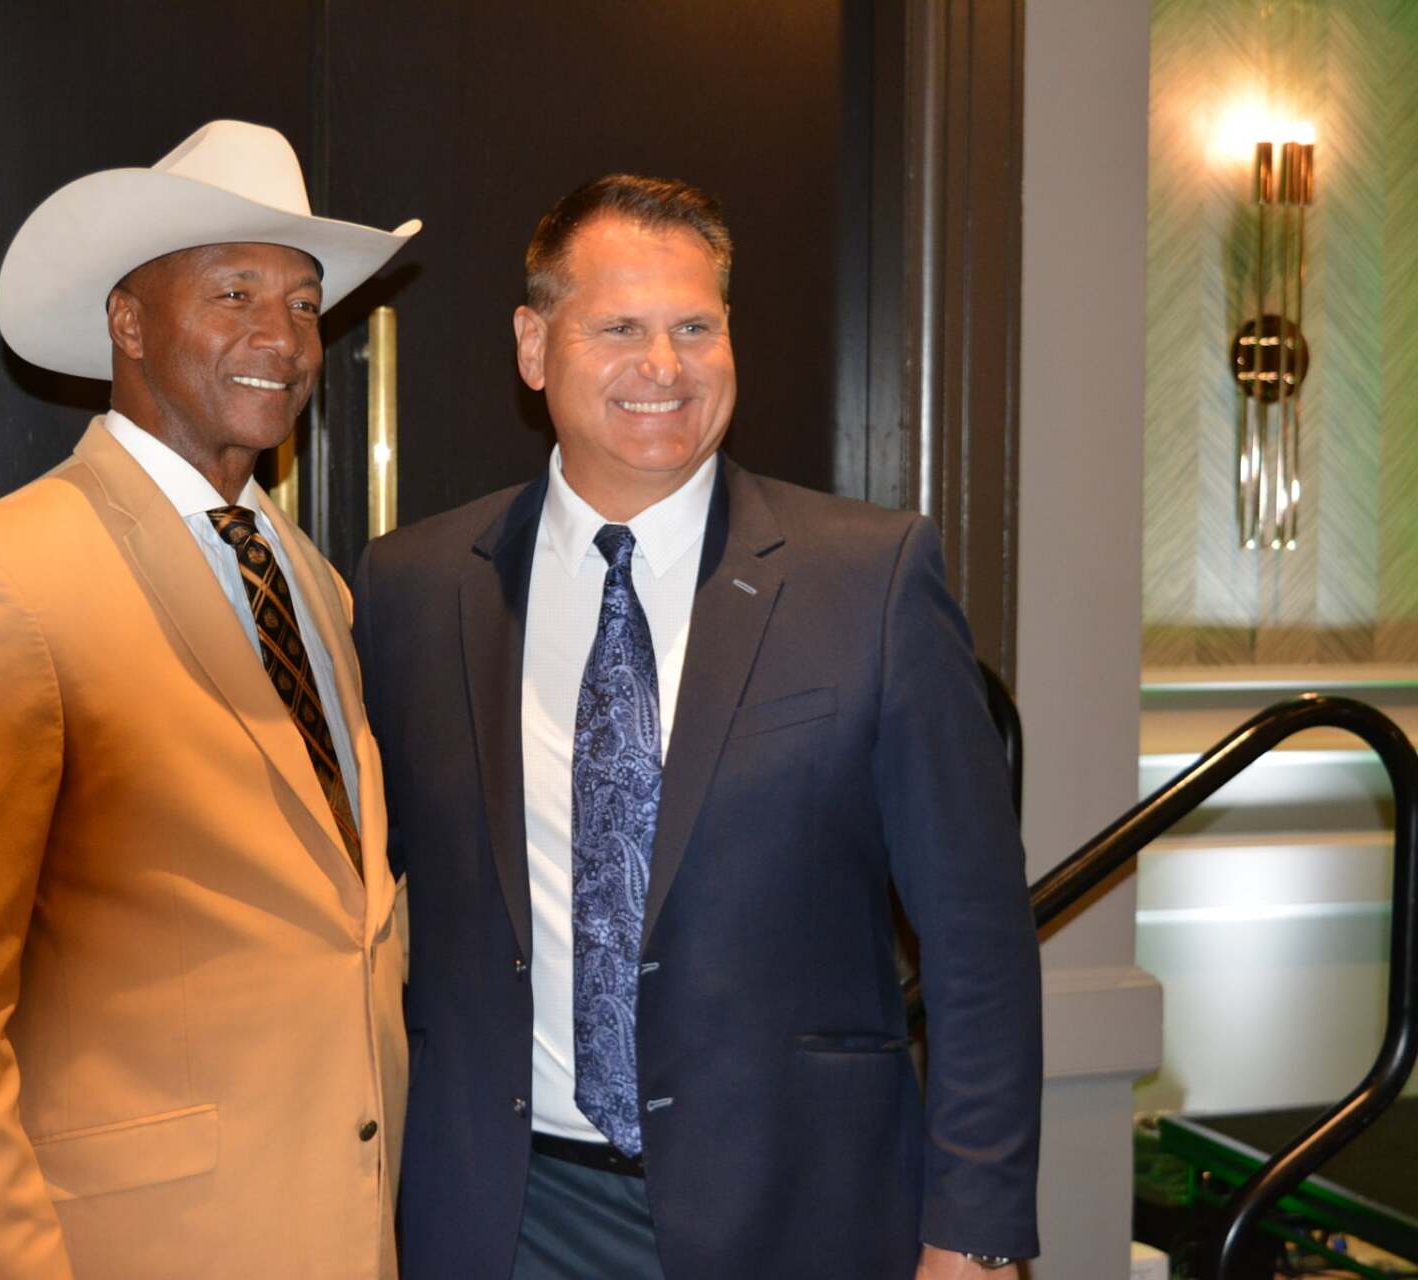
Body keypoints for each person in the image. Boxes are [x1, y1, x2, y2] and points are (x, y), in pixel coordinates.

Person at [353, 175, 1041, 1279]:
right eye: (618, 327)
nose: (662, 368)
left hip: (800, 1208)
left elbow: (978, 937)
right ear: (535, 346)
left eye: (694, 327)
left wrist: (977, 1231)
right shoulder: (414, 586)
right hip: (500, 1210)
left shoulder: (869, 577)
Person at [0, 120, 420, 1280]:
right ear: (129, 320)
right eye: (235, 290)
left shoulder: (313, 582)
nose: (282, 336)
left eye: (304, 302)